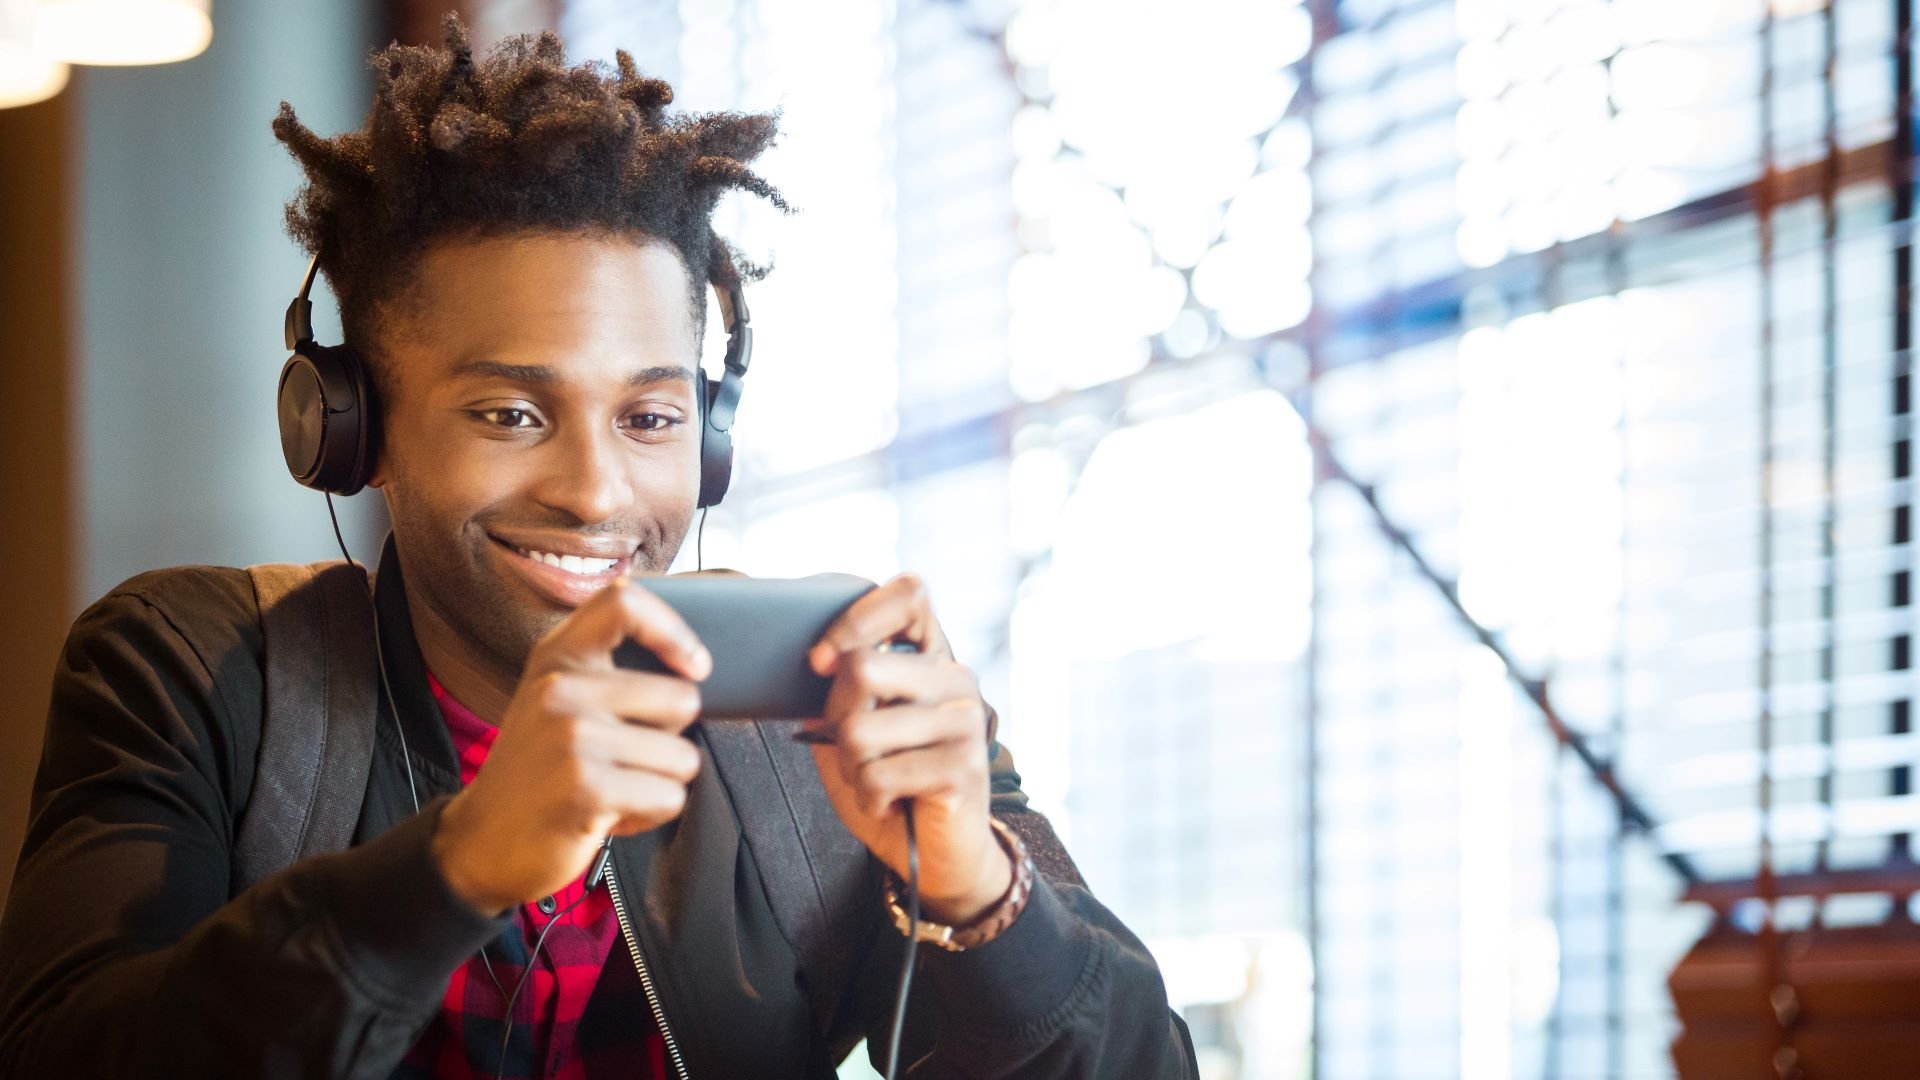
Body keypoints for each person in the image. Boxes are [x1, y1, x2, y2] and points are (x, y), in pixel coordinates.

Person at [0, 16, 1198, 1079]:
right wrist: (457, 867)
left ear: (709, 441)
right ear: (351, 428)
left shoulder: (829, 708)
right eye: (512, 413)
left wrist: (984, 894)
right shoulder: (188, 671)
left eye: (651, 416)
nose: (595, 491)